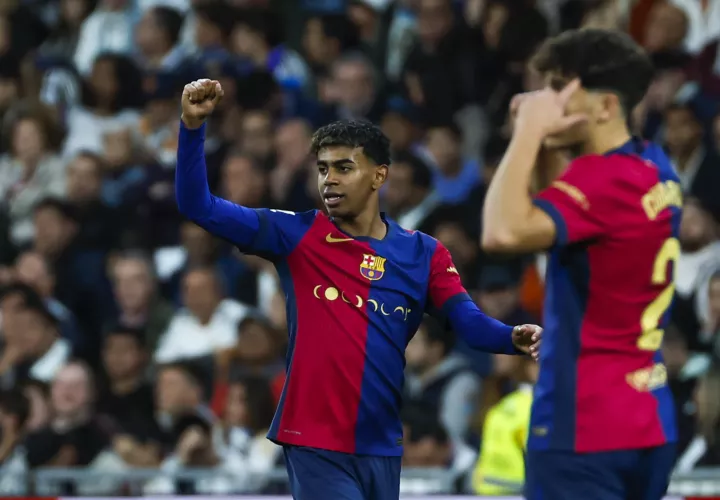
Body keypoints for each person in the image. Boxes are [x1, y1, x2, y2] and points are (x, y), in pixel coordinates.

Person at [176, 78, 542, 500]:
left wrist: (512, 337)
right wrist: (192, 127)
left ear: (379, 175)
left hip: (381, 443)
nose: (329, 179)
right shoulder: (296, 234)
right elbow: (196, 205)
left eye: (344, 167)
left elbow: (468, 323)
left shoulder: (424, 253)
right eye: (322, 168)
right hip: (314, 441)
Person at [481, 28, 679, 500]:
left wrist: (527, 131)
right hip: (647, 416)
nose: (543, 101)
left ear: (605, 106)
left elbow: (501, 232)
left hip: (582, 426)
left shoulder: (602, 181)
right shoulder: (653, 168)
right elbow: (559, 216)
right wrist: (547, 141)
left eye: (558, 89)